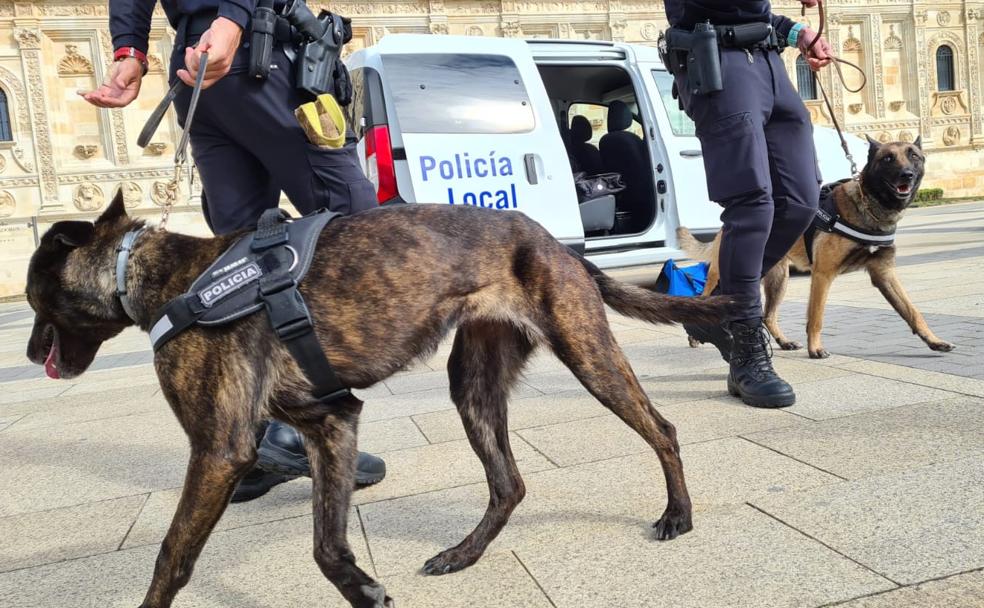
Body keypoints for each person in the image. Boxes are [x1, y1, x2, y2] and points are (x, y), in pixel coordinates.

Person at [83, 0, 386, 501]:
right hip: (254, 53)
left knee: (243, 255)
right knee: (360, 230)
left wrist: (131, 51)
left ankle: (251, 441)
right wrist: (232, 21)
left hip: (197, 71)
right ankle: (306, 427)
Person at [664, 0, 833, 408]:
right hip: (718, 61)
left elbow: (752, 12)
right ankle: (746, 353)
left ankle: (717, 308)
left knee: (800, 201)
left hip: (768, 60)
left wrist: (797, 33)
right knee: (752, 204)